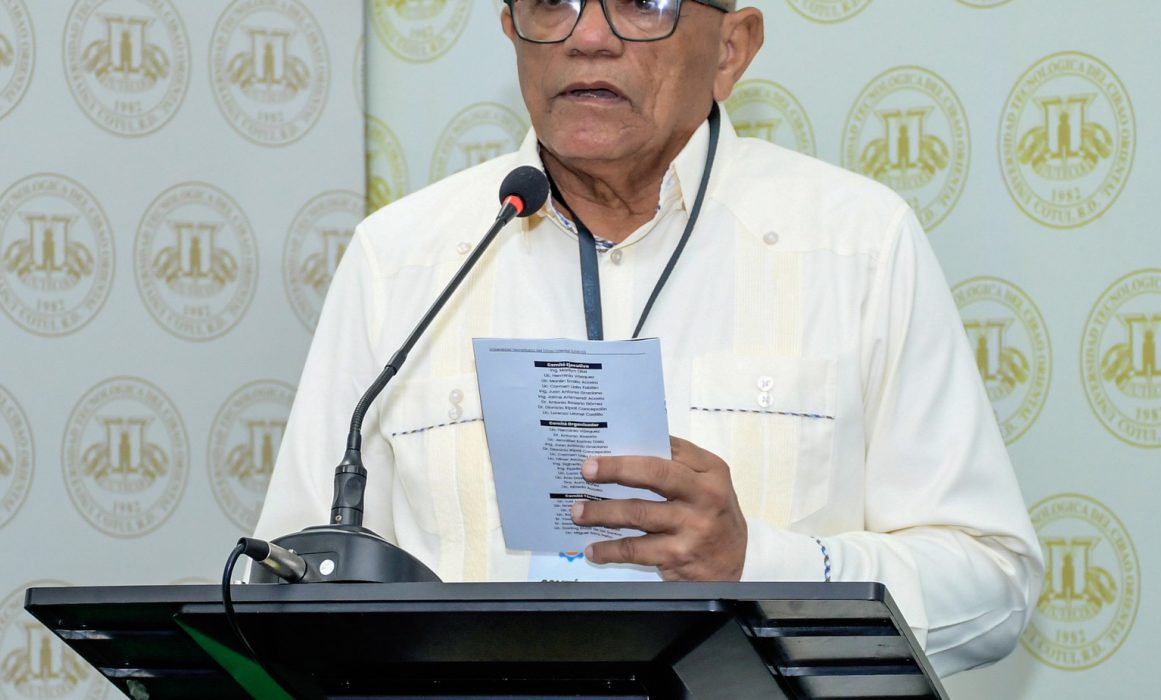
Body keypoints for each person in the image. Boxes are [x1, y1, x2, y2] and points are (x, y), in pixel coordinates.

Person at [256, 0, 1041, 675]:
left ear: (731, 48)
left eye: (642, 1)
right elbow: (288, 587)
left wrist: (760, 565)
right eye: (552, 1)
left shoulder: (857, 245)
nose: (587, 37)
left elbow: (991, 582)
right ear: (511, 30)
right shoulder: (402, 261)